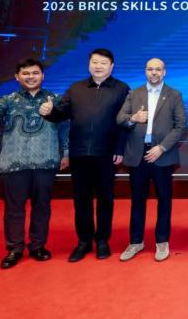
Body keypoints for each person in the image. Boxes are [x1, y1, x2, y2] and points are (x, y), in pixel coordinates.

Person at [0, 59, 69, 269]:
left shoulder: (55, 99)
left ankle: (37, 245)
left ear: (43, 75)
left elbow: (65, 127)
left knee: (42, 207)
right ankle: (15, 248)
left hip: (46, 161)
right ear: (17, 77)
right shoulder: (7, 100)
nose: (31, 77)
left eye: (35, 73)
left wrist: (66, 153)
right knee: (14, 209)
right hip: (13, 162)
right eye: (26, 73)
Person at [39, 48, 129, 262]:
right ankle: (84, 241)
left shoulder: (122, 89)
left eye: (103, 63)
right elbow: (60, 114)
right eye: (94, 62)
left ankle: (103, 240)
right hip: (79, 154)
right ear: (89, 65)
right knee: (81, 200)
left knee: (105, 199)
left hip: (106, 153)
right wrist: (50, 112)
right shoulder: (76, 88)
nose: (98, 66)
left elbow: (125, 123)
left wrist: (120, 149)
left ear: (111, 66)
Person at [116, 58, 186, 262]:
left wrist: (161, 148)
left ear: (164, 72)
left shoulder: (174, 95)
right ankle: (135, 241)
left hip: (162, 155)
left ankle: (162, 241)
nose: (154, 72)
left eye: (158, 69)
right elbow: (120, 118)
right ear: (145, 71)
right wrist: (133, 118)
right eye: (150, 69)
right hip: (138, 155)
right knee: (138, 199)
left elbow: (180, 125)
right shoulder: (133, 93)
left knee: (164, 199)